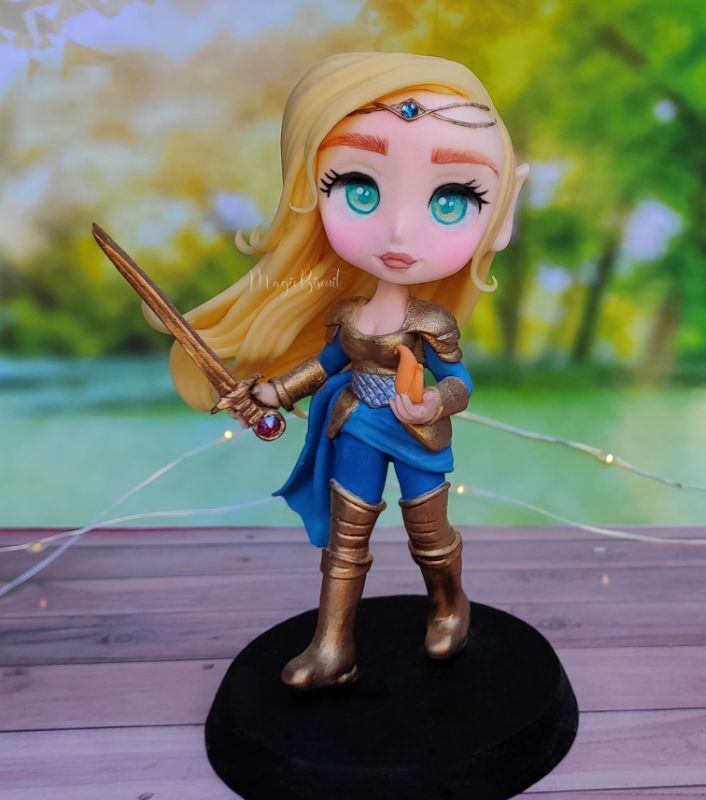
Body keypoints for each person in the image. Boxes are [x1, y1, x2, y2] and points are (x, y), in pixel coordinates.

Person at [145, 52, 528, 690]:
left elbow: (460, 382)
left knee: (427, 533)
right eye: (359, 187)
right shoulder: (348, 315)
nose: (399, 231)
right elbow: (324, 366)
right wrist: (273, 389)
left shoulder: (431, 321)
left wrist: (433, 404)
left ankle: (448, 604)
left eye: (451, 198)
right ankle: (333, 647)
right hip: (355, 425)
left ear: (500, 212)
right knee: (346, 543)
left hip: (415, 432)